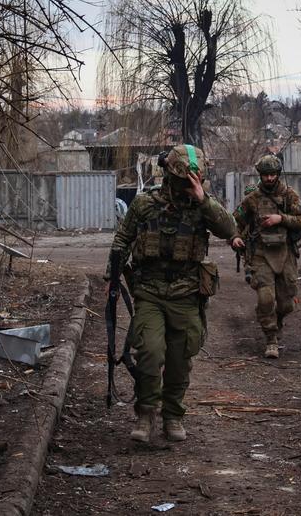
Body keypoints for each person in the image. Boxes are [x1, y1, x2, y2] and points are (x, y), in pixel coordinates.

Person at [105, 144, 236, 442]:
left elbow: (230, 228)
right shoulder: (145, 204)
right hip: (149, 291)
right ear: (168, 176)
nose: (187, 186)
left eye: (194, 180)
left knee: (180, 359)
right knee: (150, 353)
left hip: (187, 293)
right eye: (182, 180)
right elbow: (122, 239)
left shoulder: (202, 205)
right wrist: (111, 278)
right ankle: (146, 414)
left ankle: (173, 416)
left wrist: (203, 201)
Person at [231, 155, 301, 359]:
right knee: (266, 299)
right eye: (266, 175)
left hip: (286, 253)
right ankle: (271, 338)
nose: (269, 178)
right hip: (261, 254)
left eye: (273, 174)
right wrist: (236, 238)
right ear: (261, 176)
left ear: (278, 174)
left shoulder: (290, 195)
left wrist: (280, 218)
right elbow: (235, 222)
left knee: (286, 303)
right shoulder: (252, 199)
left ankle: (279, 319)